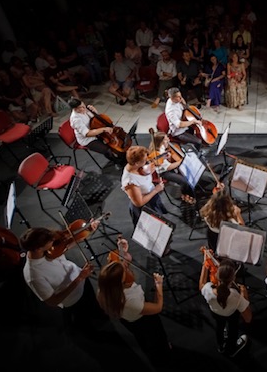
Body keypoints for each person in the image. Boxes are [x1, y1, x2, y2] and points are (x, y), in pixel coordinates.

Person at [96, 238, 171, 368]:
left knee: (140, 337)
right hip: (142, 320)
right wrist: (159, 286)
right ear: (120, 282)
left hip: (128, 319)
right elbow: (158, 307)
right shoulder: (130, 301)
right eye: (126, 271)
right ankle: (161, 355)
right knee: (154, 337)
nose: (128, 269)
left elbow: (123, 263)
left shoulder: (106, 287)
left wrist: (122, 252)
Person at [19, 226, 106, 330]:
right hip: (73, 299)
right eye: (51, 241)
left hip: (83, 279)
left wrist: (88, 230)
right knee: (84, 321)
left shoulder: (49, 250)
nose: (54, 241)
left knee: (95, 306)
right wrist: (79, 278)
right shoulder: (33, 275)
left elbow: (68, 244)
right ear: (38, 248)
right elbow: (53, 301)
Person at [199, 256, 251, 357]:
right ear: (233, 278)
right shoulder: (236, 296)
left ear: (217, 275)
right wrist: (245, 294)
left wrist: (205, 264)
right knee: (233, 329)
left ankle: (221, 345)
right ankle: (232, 349)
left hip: (215, 313)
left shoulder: (208, 289)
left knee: (219, 327)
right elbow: (248, 318)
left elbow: (201, 284)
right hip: (231, 315)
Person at [68, 98, 126, 167]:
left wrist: (95, 112)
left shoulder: (85, 108)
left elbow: (95, 120)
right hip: (88, 139)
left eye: (83, 105)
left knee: (114, 140)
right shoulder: (76, 120)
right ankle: (117, 161)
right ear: (75, 109)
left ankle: (123, 155)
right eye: (80, 108)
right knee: (107, 150)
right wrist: (103, 129)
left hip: (97, 131)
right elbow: (87, 133)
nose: (83, 108)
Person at [121, 145, 168, 228]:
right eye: (144, 160)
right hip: (146, 206)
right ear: (136, 163)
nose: (147, 161)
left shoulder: (138, 167)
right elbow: (139, 203)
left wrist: (162, 158)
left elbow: (147, 171)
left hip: (151, 197)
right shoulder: (130, 182)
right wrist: (156, 190)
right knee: (154, 228)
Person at [149, 130, 195, 205]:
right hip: (165, 173)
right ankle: (186, 195)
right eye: (166, 140)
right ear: (161, 142)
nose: (169, 140)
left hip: (168, 167)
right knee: (184, 181)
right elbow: (169, 167)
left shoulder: (162, 148)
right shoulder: (157, 153)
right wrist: (181, 161)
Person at [199, 186, 245, 252]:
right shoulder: (229, 221)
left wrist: (220, 190)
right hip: (225, 239)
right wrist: (238, 214)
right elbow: (242, 229)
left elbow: (218, 198)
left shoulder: (207, 211)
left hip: (212, 237)